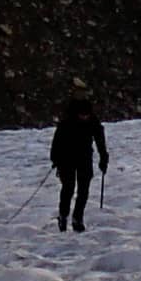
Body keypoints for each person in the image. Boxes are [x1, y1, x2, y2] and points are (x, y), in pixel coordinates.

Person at [50, 98, 108, 232]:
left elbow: (100, 140)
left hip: (85, 158)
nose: (85, 117)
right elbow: (57, 142)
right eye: (83, 114)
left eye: (87, 114)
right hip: (66, 159)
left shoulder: (93, 121)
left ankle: (78, 218)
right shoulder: (66, 122)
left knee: (83, 190)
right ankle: (63, 215)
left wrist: (103, 158)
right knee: (68, 188)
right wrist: (55, 159)